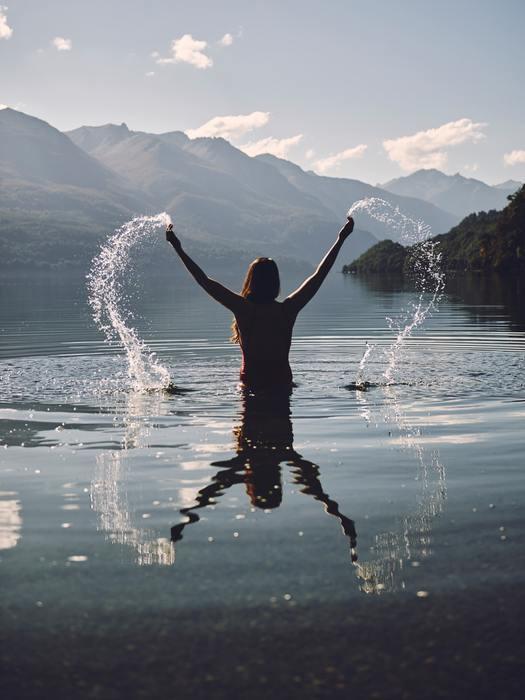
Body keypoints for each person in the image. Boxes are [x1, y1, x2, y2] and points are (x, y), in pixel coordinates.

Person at [166, 217, 354, 389]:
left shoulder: (243, 310)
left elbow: (204, 280)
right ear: (276, 282)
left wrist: (177, 248)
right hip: (282, 386)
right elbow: (319, 275)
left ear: (250, 281)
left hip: (251, 387)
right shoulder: (287, 310)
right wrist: (341, 239)